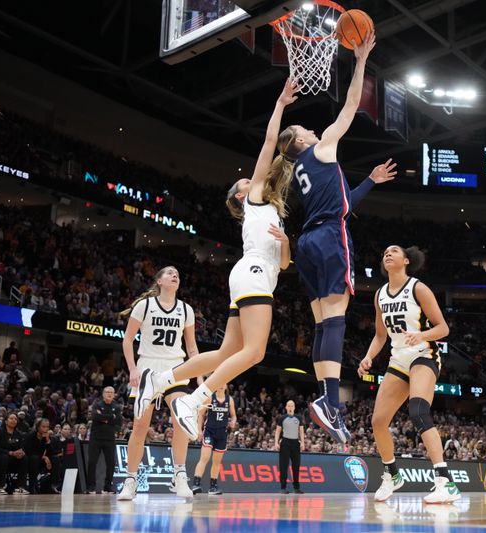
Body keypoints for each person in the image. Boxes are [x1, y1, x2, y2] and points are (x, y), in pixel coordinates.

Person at [136, 79, 299, 443]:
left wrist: (286, 243)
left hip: (254, 273)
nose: (249, 178)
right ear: (242, 196)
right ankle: (195, 400)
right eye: (244, 181)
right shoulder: (255, 197)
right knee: (254, 352)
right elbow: (271, 143)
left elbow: (286, 265)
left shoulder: (271, 212)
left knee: (228, 352)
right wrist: (280, 104)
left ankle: (162, 379)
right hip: (254, 271)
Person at [285, 32, 397, 444]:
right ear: (300, 141)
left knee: (322, 323)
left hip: (307, 243)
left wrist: (369, 179)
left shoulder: (300, 169)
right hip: (330, 236)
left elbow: (344, 200)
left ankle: (328, 404)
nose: (312, 128)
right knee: (336, 319)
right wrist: (361, 60)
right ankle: (329, 403)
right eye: (303, 128)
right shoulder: (322, 148)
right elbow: (351, 104)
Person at [358, 245, 458, 503]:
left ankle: (445, 482)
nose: (387, 254)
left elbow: (443, 328)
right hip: (398, 359)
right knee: (378, 421)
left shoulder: (418, 288)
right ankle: (392, 475)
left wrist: (421, 335)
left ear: (406, 260)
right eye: (384, 253)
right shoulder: (379, 294)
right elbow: (381, 336)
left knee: (418, 411)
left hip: (424, 354)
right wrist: (368, 357)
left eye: (393, 251)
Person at [117, 266, 199, 501]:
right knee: (140, 426)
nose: (175, 275)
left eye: (178, 274)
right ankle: (130, 480)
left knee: (181, 422)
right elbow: (128, 339)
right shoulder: (144, 306)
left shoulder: (186, 309)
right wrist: (132, 369)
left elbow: (192, 347)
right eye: (170, 273)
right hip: (147, 369)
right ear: (160, 281)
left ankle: (180, 476)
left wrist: (200, 375)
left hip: (176, 369)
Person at [191, 384, 236, 495]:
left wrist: (233, 421)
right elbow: (201, 415)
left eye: (224, 383)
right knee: (204, 458)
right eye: (219, 382)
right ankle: (196, 484)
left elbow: (233, 415)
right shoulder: (210, 398)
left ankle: (213, 487)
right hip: (209, 431)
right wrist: (199, 430)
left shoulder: (229, 400)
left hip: (222, 433)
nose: (221, 385)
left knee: (217, 462)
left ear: (226, 386)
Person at [87, 386, 122, 494]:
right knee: (92, 462)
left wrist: (103, 417)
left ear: (114, 394)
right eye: (107, 392)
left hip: (110, 439)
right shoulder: (97, 404)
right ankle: (91, 487)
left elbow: (118, 421)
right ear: (103, 394)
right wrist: (111, 417)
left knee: (111, 463)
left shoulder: (116, 407)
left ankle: (107, 487)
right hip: (96, 438)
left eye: (111, 392)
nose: (109, 394)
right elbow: (95, 416)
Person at [0, 412, 29, 494]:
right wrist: (10, 452)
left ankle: (21, 487)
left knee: (24, 458)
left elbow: (22, 447)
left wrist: (21, 453)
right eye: (11, 418)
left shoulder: (18, 434)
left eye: (15, 419)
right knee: (4, 457)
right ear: (6, 421)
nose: (14, 420)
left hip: (14, 458)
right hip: (1, 457)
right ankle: (0, 486)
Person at [274, 400, 305, 494]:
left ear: (294, 407)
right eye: (289, 406)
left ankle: (296, 488)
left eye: (292, 405)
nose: (290, 407)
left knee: (296, 466)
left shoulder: (299, 417)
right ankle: (283, 488)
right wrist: (276, 442)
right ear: (286, 407)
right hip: (285, 443)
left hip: (296, 443)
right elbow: (278, 431)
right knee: (284, 466)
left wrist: (303, 442)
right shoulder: (282, 418)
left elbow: (301, 431)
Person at [22, 418, 60, 494]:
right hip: (31, 460)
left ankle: (53, 486)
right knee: (34, 458)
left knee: (55, 459)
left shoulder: (48, 438)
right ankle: (32, 486)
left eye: (47, 427)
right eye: (43, 426)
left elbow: (52, 453)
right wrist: (44, 457)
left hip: (42, 460)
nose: (45, 429)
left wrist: (48, 441)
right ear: (38, 427)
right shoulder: (30, 436)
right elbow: (29, 451)